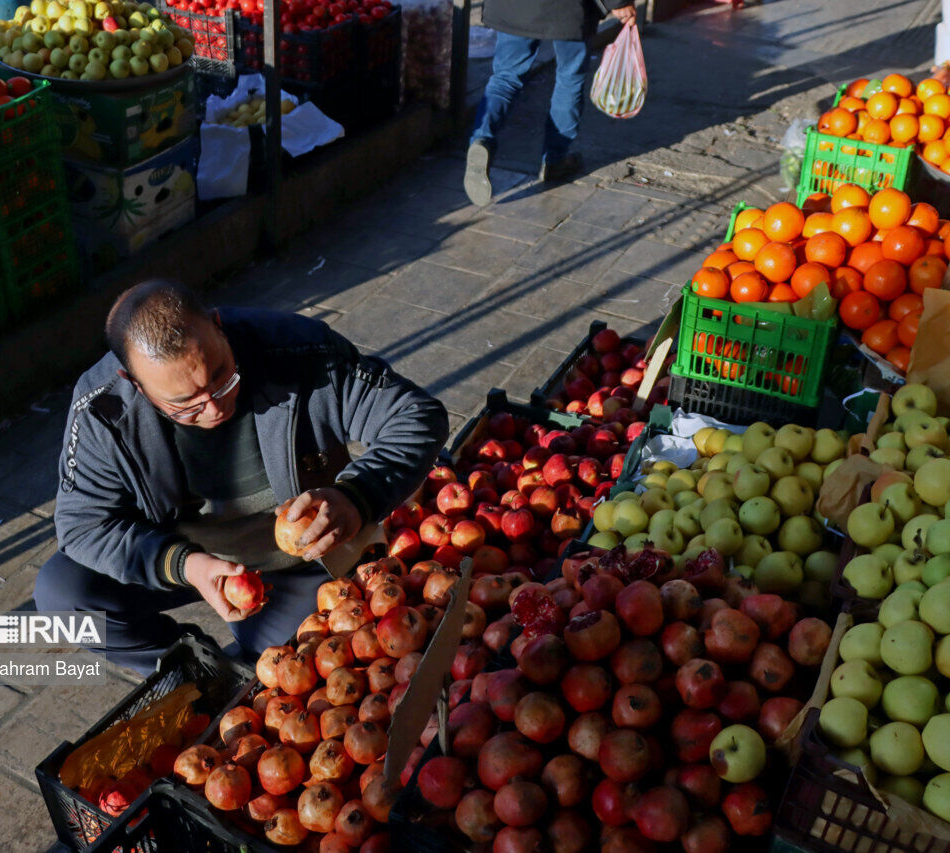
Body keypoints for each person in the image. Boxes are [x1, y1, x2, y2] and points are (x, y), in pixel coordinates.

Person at [34, 280, 449, 675]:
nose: (213, 408)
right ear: (135, 386)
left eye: (220, 376)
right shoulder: (103, 409)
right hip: (180, 555)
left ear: (218, 326)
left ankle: (244, 663)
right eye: (185, 406)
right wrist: (185, 565)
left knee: (284, 675)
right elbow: (82, 525)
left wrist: (357, 496)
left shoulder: (300, 350)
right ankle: (192, 671)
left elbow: (416, 416)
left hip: (294, 562)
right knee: (62, 593)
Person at [464, 0, 637, 206]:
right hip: (569, 10)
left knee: (505, 78)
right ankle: (555, 160)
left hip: (512, 7)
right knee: (569, 79)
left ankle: (481, 138)